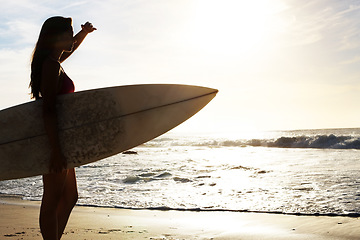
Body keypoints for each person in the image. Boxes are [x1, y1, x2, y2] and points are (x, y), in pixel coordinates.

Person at [29, 16, 96, 240]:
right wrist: (56, 151)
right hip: (53, 142)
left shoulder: (53, 62)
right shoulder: (50, 66)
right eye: (67, 33)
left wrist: (83, 34)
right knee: (52, 199)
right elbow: (48, 110)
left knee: (70, 196)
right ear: (55, 37)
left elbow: (69, 49)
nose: (70, 37)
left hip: (62, 141)